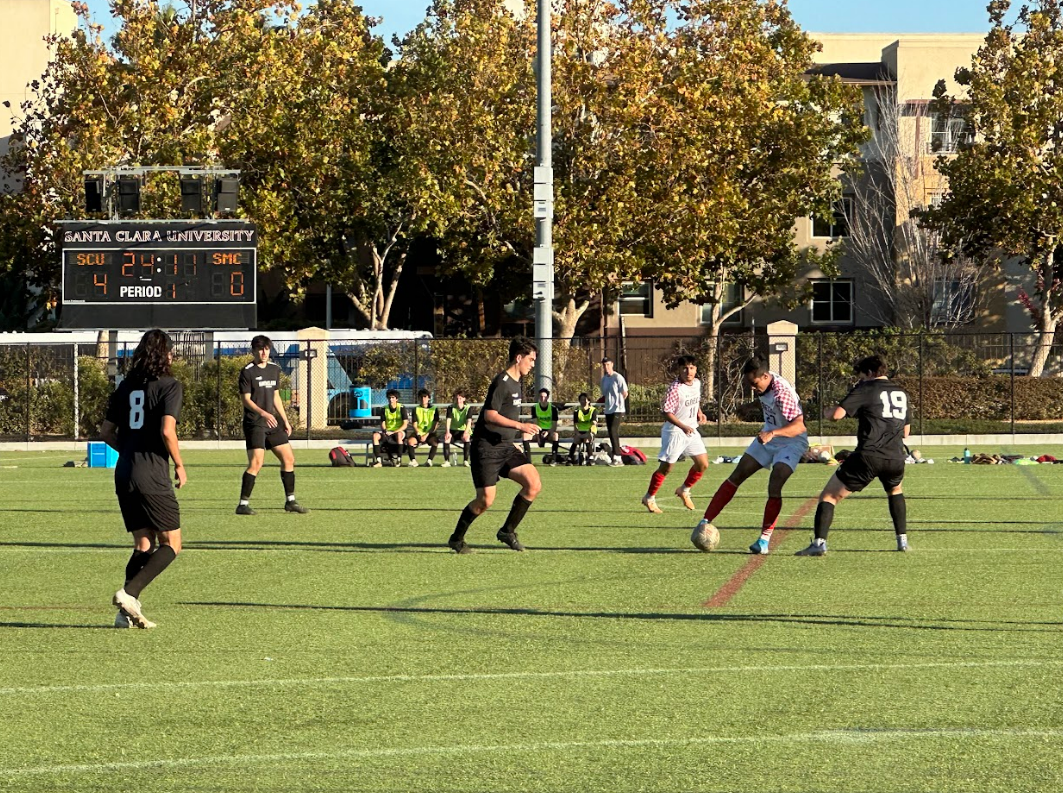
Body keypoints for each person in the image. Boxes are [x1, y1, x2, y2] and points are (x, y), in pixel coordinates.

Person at [100, 329, 186, 629]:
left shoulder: (125, 386)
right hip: (152, 474)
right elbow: (166, 431)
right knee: (172, 543)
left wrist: (131, 451)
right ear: (166, 355)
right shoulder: (171, 385)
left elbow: (106, 432)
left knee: (143, 544)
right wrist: (179, 464)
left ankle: (124, 615)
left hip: (124, 471)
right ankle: (129, 593)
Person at [796, 355, 911, 556]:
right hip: (895, 457)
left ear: (870, 373)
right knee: (895, 491)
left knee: (829, 496)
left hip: (868, 456)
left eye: (861, 376)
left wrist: (826, 411)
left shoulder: (866, 388)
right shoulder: (901, 392)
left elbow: (836, 415)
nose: (860, 380)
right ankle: (902, 541)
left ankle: (819, 543)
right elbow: (906, 432)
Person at [694, 357, 808, 554]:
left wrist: (773, 433)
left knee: (776, 481)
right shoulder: (765, 385)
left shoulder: (783, 393)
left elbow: (799, 426)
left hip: (790, 441)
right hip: (768, 437)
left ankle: (764, 540)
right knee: (737, 475)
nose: (753, 388)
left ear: (765, 376)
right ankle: (704, 521)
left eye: (754, 384)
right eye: (749, 384)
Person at [447, 337, 542, 553]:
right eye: (531, 359)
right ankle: (456, 539)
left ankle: (507, 531)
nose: (533, 364)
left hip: (505, 446)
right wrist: (520, 426)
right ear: (519, 358)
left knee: (533, 484)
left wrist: (512, 440)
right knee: (485, 501)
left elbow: (505, 416)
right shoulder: (502, 382)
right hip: (486, 448)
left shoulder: (517, 383)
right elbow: (490, 415)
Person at [235, 336, 308, 515]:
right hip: (255, 422)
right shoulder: (247, 371)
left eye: (266, 349)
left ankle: (290, 501)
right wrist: (263, 413)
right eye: (260, 349)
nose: (264, 352)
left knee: (289, 459)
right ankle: (242, 504)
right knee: (256, 463)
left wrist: (285, 420)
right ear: (253, 351)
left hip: (272, 423)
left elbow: (275, 395)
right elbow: (245, 399)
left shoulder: (274, 369)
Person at [641, 355, 709, 514]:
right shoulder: (675, 389)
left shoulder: (697, 383)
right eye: (684, 368)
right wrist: (683, 426)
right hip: (675, 432)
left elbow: (695, 400)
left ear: (696, 369)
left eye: (691, 368)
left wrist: (699, 412)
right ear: (679, 370)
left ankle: (684, 490)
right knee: (666, 468)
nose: (688, 371)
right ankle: (649, 498)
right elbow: (667, 413)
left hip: (691, 430)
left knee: (703, 464)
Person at [599, 357, 629, 466]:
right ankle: (615, 456)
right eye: (604, 365)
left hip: (618, 409)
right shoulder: (604, 380)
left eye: (608, 364)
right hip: (608, 410)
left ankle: (618, 457)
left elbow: (625, 392)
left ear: (612, 364)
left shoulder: (618, 377)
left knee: (613, 431)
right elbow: (605, 394)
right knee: (611, 433)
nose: (606, 367)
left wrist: (619, 402)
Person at [372, 389, 409, 467]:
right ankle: (378, 461)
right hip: (388, 432)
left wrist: (394, 431)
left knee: (399, 435)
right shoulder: (384, 409)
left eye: (393, 397)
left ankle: (399, 459)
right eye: (389, 398)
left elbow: (405, 424)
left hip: (399, 431)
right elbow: (383, 423)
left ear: (396, 399)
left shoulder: (401, 408)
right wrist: (385, 431)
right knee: (375, 436)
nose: (391, 399)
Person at [524, 388, 561, 466]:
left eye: (544, 397)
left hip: (549, 431)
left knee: (555, 435)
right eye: (541, 397)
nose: (543, 399)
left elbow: (554, 425)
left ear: (547, 397)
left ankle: (553, 460)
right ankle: (528, 461)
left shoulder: (553, 408)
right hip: (538, 430)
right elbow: (535, 423)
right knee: (525, 435)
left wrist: (547, 432)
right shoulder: (535, 407)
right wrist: (538, 435)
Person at [407, 388, 441, 467]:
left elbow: (434, 425)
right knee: (410, 442)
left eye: (425, 397)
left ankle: (429, 461)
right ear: (419, 398)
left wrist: (426, 435)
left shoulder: (434, 409)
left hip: (429, 433)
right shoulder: (416, 409)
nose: (423, 399)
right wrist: (419, 434)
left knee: (435, 442)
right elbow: (414, 424)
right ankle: (413, 461)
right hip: (418, 433)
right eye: (421, 397)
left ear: (429, 398)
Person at [443, 390, 473, 467]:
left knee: (466, 438)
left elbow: (469, 422)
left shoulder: (468, 408)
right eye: (457, 398)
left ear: (464, 399)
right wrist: (447, 432)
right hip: (453, 431)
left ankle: (465, 461)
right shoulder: (450, 407)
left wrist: (466, 433)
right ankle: (447, 461)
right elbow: (448, 420)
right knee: (447, 439)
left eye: (460, 398)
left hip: (463, 431)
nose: (458, 400)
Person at [568, 392, 599, 466]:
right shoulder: (577, 411)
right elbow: (575, 424)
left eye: (584, 400)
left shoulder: (593, 410)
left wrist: (589, 432)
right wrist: (577, 433)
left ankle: (591, 459)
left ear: (588, 401)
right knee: (576, 440)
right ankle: (569, 459)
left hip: (590, 431)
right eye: (581, 400)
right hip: (580, 432)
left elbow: (594, 422)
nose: (583, 401)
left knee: (587, 439)